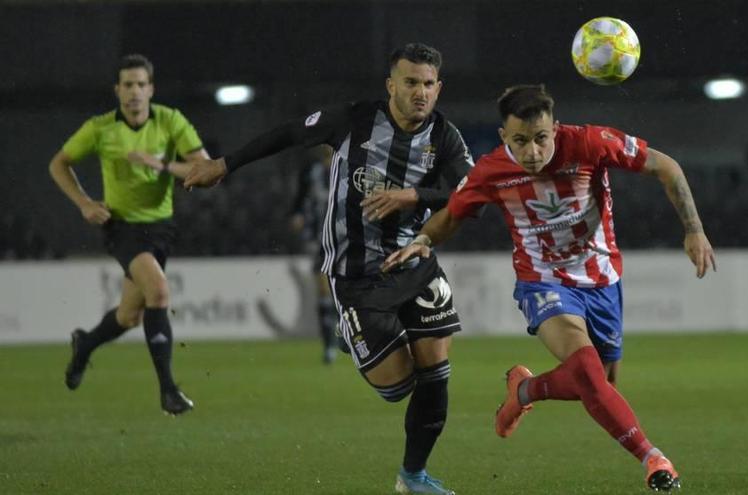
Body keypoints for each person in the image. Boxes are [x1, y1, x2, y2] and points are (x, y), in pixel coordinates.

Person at [384, 84, 717, 491]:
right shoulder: (490, 172)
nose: (533, 152)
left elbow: (666, 167)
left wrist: (694, 230)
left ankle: (525, 389)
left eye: (541, 139)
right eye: (520, 141)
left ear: (555, 130)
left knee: (600, 387)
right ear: (504, 136)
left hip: (602, 279)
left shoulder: (590, 143)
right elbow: (452, 216)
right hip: (541, 281)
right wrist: (420, 241)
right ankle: (653, 458)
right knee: (589, 375)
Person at [183, 43, 473, 495]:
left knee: (436, 374)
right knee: (398, 388)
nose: (420, 92)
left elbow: (467, 192)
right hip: (356, 275)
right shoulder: (355, 120)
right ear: (391, 84)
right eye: (411, 82)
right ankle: (351, 331)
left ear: (439, 88)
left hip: (415, 261)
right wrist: (225, 164)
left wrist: (412, 197)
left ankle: (412, 477)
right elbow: (288, 134)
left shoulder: (446, 137)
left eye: (429, 84)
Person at [49, 54, 209, 415]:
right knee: (159, 290)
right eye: (127, 85)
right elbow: (58, 164)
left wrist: (162, 164)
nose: (134, 92)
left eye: (140, 84)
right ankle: (169, 391)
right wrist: (84, 203)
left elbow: (204, 167)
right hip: (121, 226)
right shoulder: (101, 128)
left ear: (151, 89)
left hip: (161, 228)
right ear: (117, 90)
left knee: (128, 316)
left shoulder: (170, 121)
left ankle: (86, 344)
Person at [288, 145, 339, 364]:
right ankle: (329, 345)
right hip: (320, 239)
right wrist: (297, 215)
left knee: (345, 291)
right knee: (323, 290)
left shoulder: (347, 166)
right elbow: (300, 198)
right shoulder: (311, 171)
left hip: (347, 237)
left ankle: (348, 335)